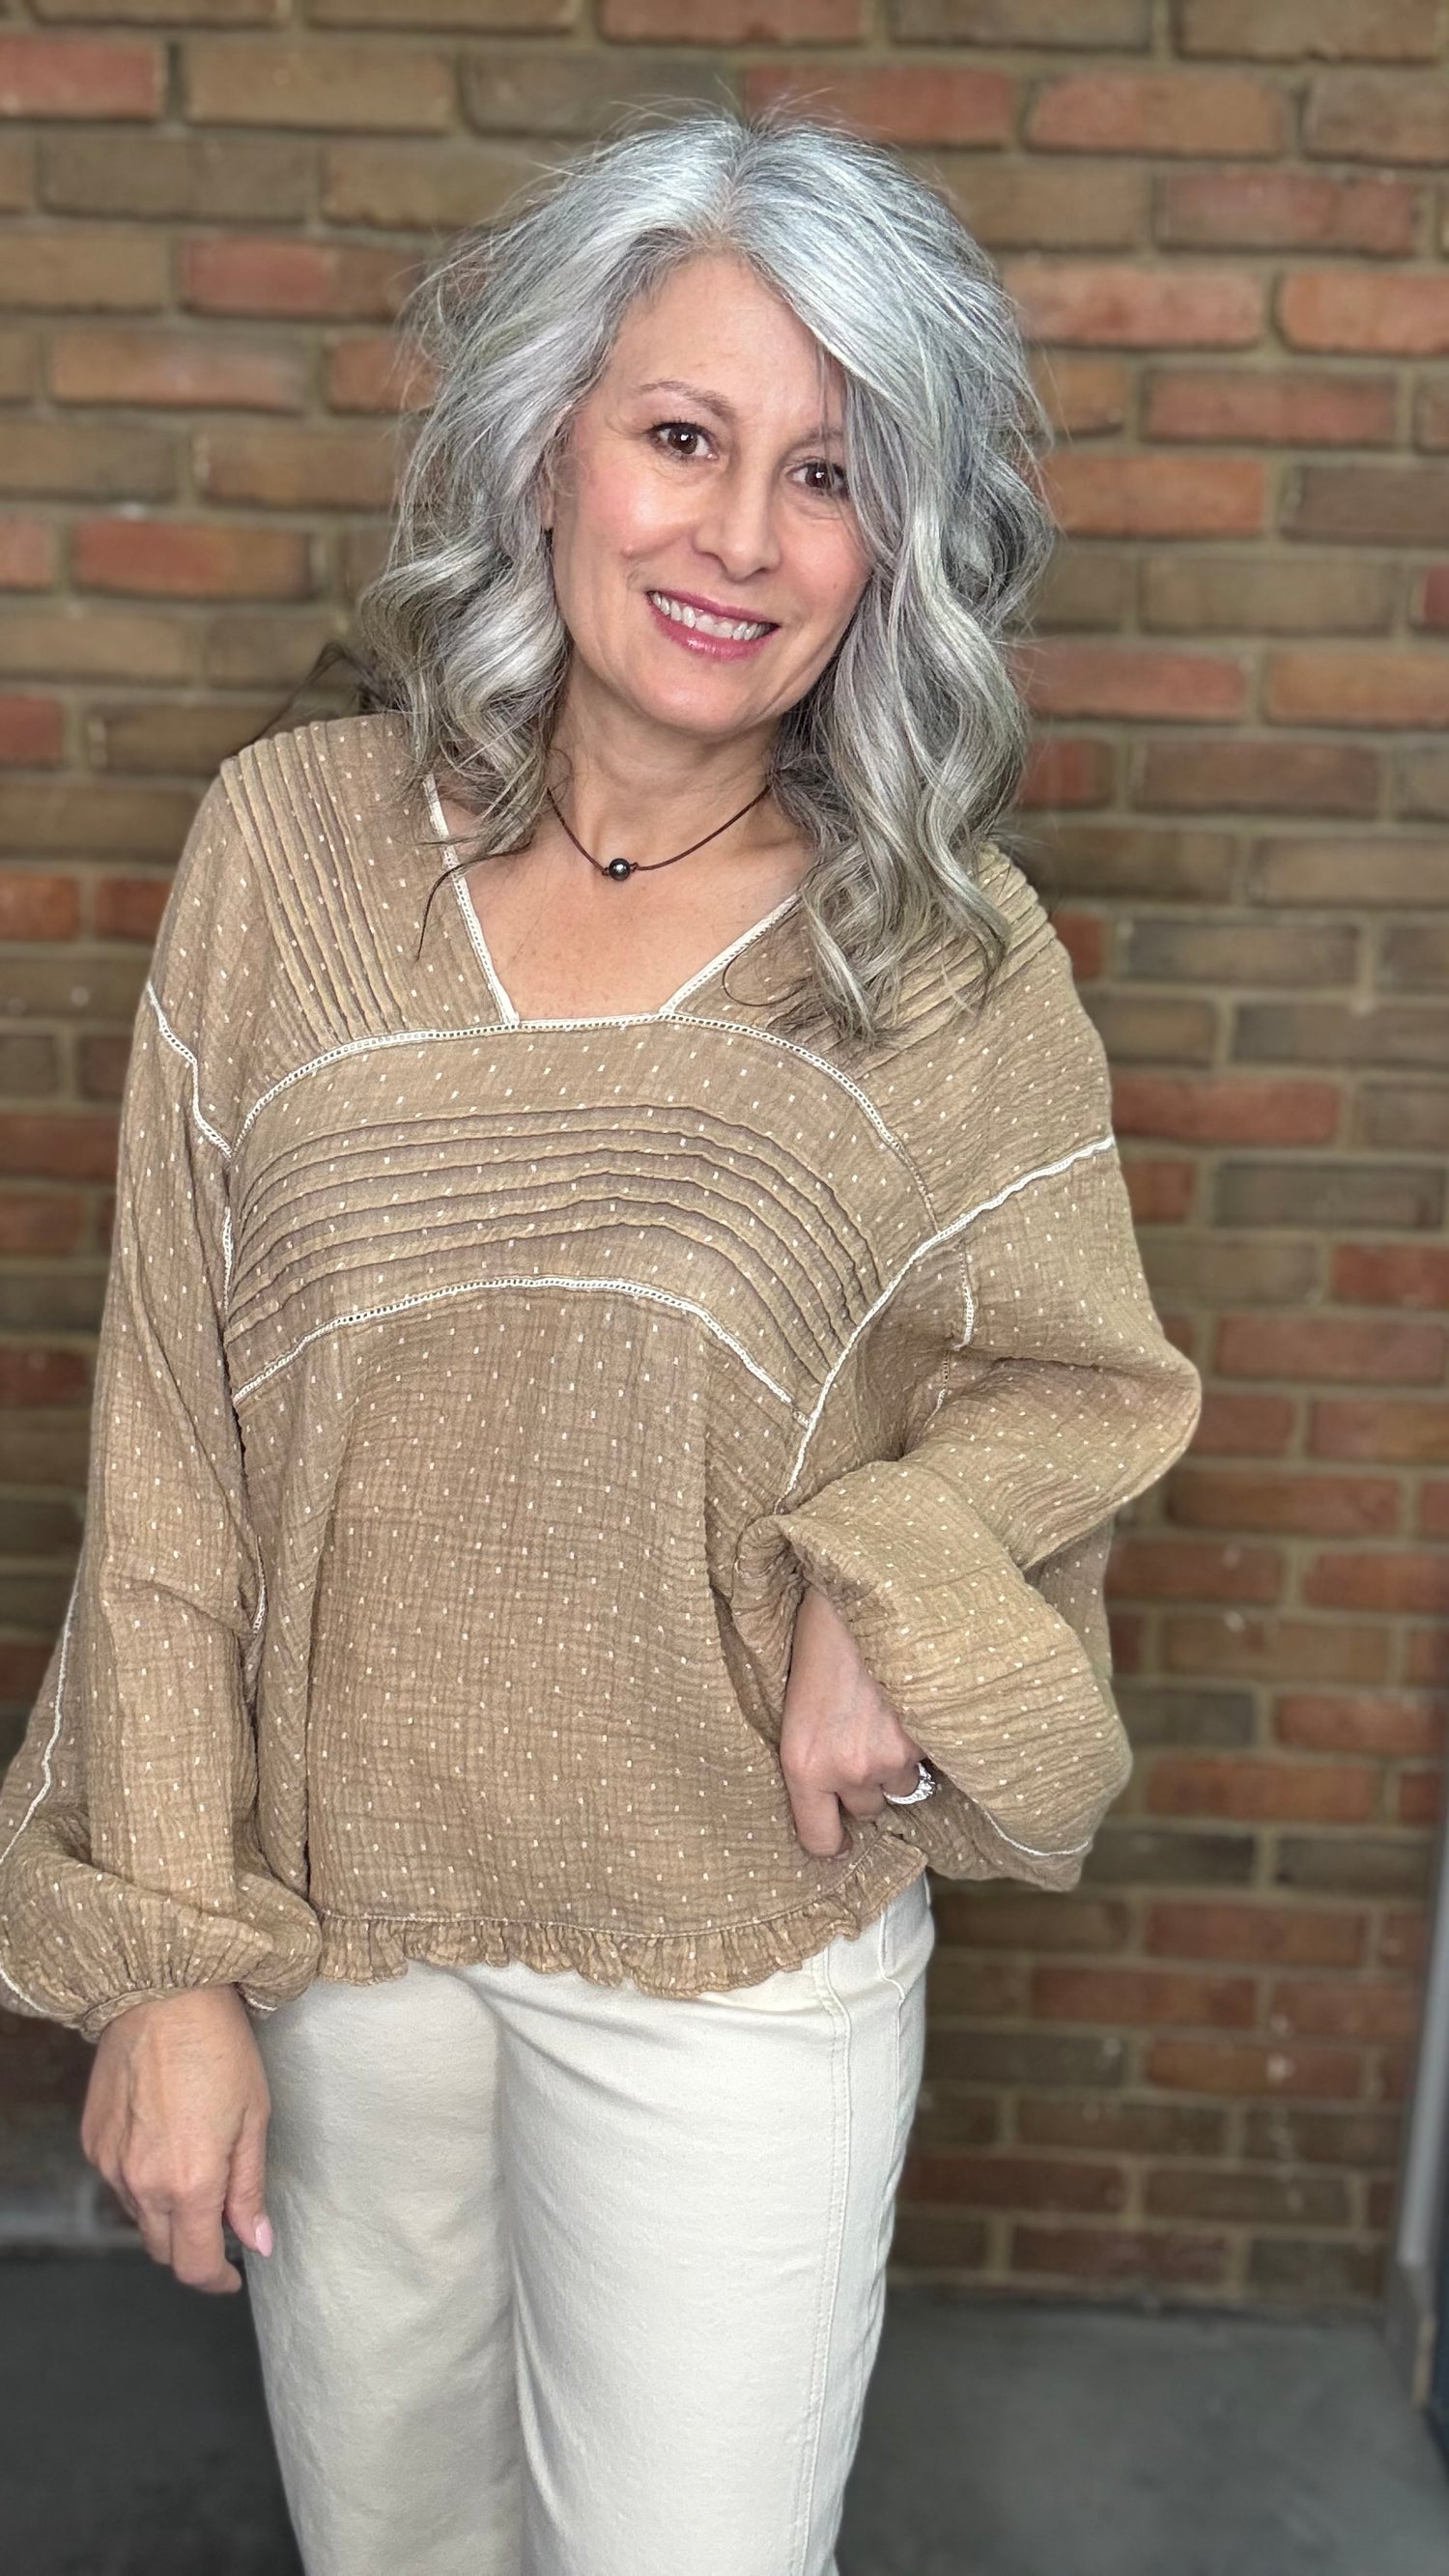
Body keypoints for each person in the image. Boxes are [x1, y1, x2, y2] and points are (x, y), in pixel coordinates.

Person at [0, 104, 1202, 2576]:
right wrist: (159, 1967)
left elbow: (1085, 1378)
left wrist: (895, 1562)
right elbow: (173, 1462)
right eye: (682, 434)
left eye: (829, 474)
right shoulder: (286, 856)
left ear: (896, 546)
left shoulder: (945, 963)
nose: (741, 535)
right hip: (341, 1936)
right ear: (550, 443)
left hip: (730, 1958)